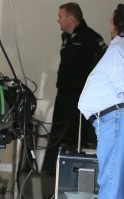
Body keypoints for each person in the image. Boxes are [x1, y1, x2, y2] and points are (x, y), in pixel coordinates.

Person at [42, 2, 107, 174]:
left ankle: (74, 175)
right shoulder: (66, 37)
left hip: (80, 99)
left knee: (76, 137)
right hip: (63, 94)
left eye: (60, 16)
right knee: (56, 133)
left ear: (71, 18)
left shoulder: (91, 38)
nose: (58, 20)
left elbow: (103, 64)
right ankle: (49, 173)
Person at [78, 4, 124, 199]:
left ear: (117, 25)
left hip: (114, 119)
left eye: (111, 21)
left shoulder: (119, 48)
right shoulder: (118, 47)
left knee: (112, 181)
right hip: (111, 120)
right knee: (115, 181)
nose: (109, 25)